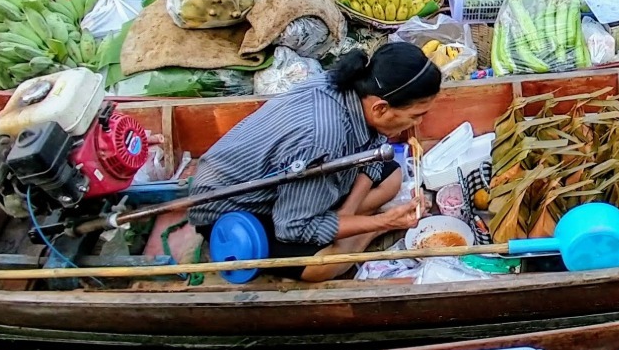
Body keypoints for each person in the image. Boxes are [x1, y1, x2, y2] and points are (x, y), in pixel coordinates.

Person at [189, 43, 441, 282]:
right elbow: (294, 227)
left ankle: (346, 222)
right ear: (380, 108)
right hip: (236, 207)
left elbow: (374, 146)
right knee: (327, 264)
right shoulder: (321, 140)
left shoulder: (352, 86)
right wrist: (382, 222)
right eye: (416, 116)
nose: (418, 123)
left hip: (301, 181)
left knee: (392, 177)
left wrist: (347, 212)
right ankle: (367, 231)